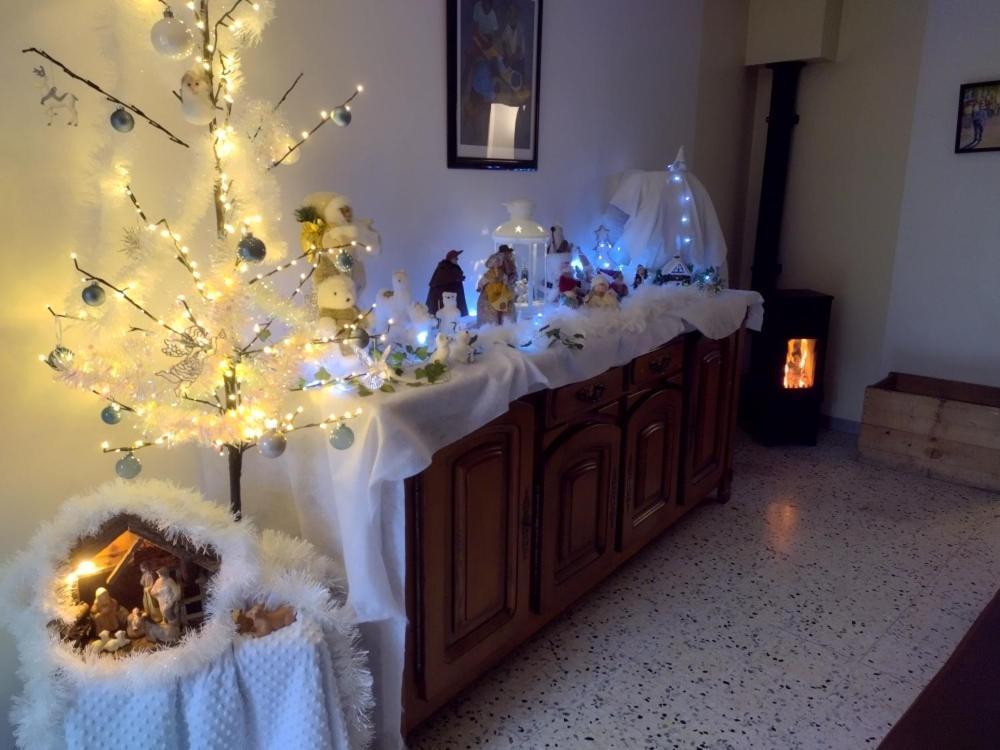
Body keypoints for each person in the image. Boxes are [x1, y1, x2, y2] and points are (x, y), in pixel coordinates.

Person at [426, 249, 469, 316]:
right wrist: (457, 278)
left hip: (452, 298)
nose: (457, 259)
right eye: (455, 258)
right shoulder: (444, 267)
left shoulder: (449, 267)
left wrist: (458, 278)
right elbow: (444, 279)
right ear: (451, 259)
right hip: (443, 300)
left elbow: (451, 277)